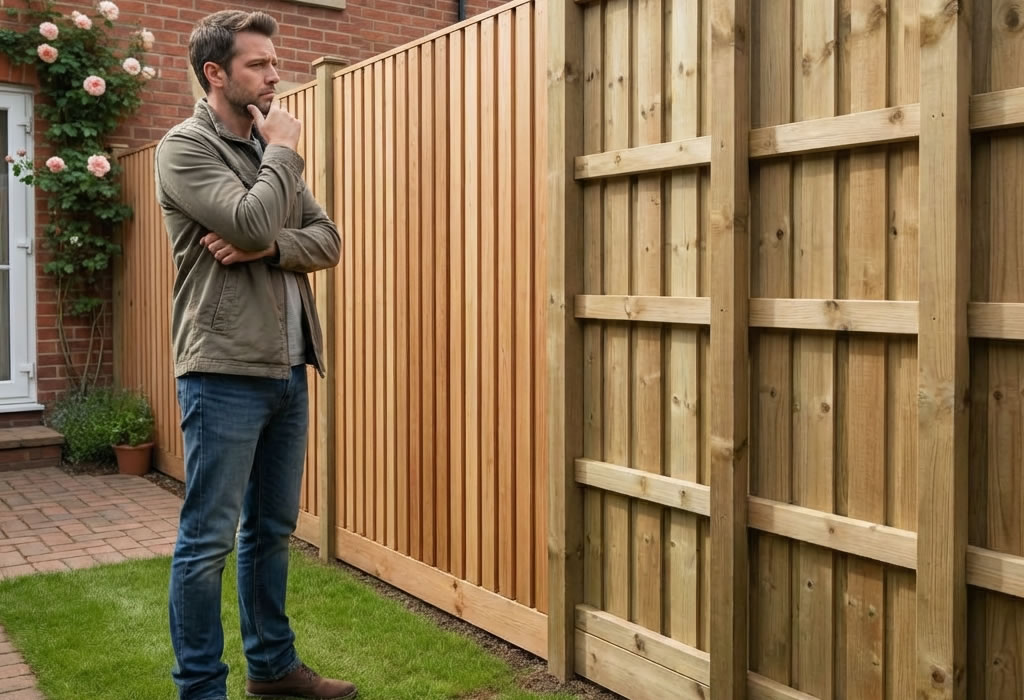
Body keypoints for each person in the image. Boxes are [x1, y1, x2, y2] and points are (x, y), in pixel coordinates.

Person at [155, 10, 352, 700]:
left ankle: (271, 670)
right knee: (207, 541)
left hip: (287, 367)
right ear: (216, 73)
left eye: (275, 62)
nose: (276, 76)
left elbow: (326, 240)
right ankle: (201, 689)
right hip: (222, 371)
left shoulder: (266, 151)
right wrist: (284, 160)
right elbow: (246, 217)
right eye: (259, 65)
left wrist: (267, 247)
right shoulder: (185, 148)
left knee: (271, 530)